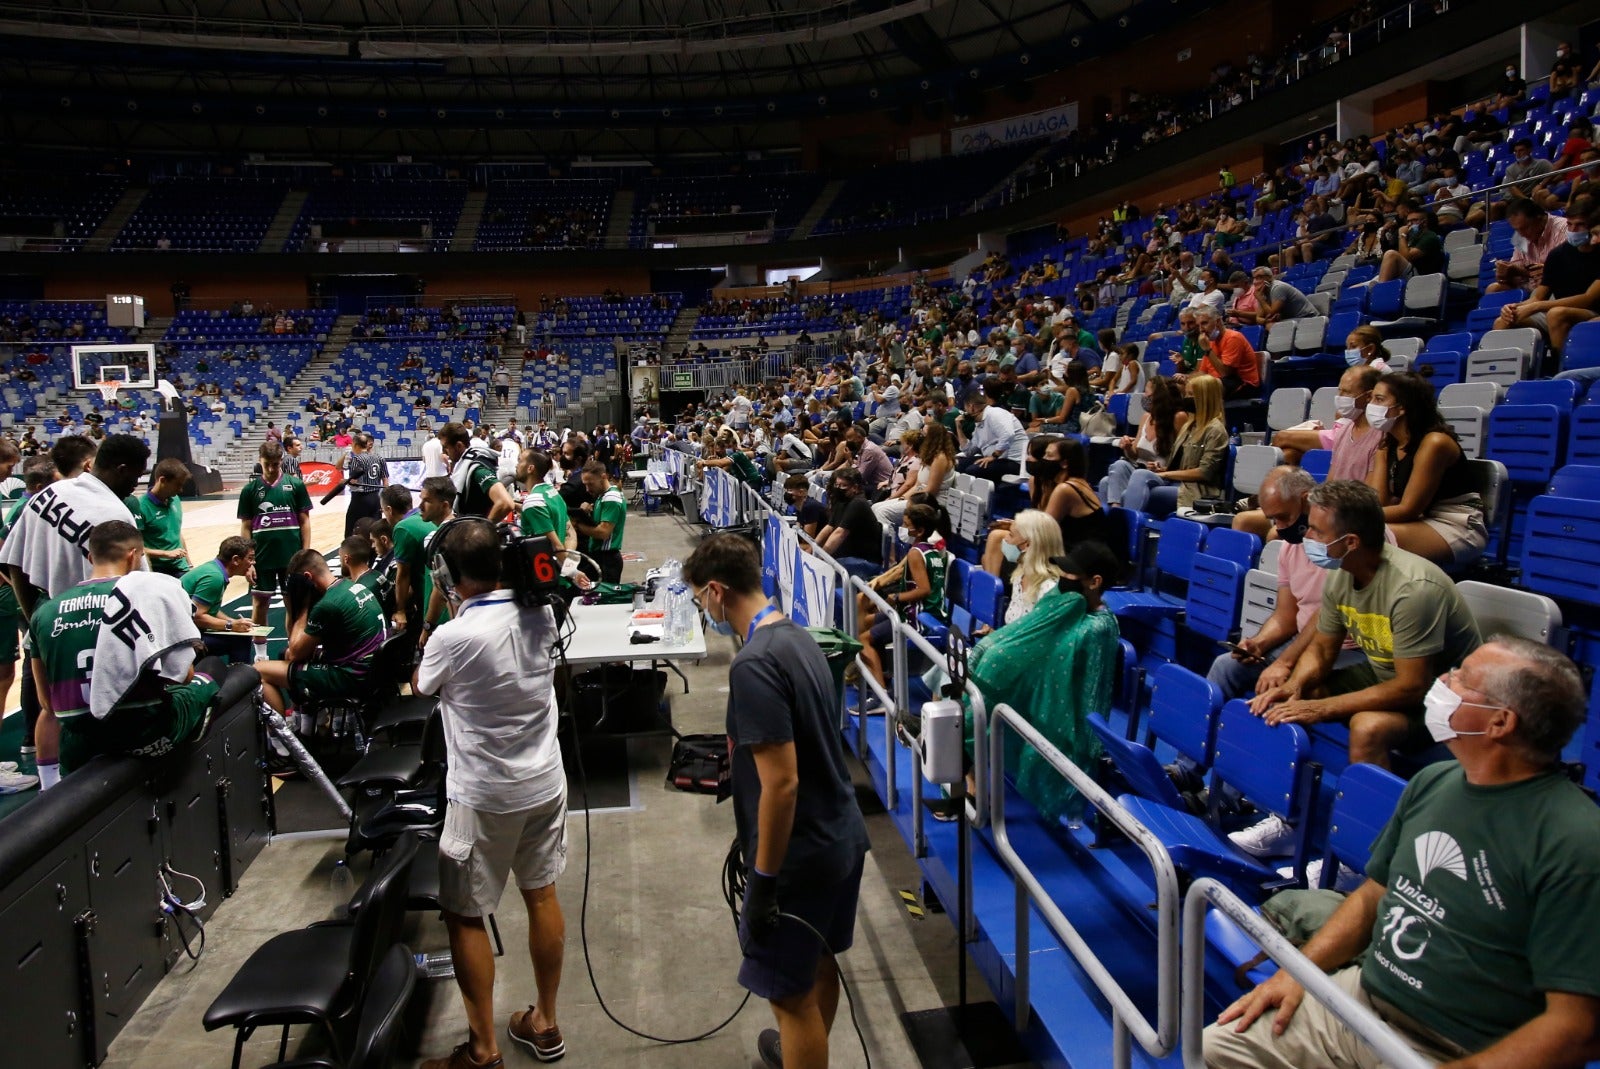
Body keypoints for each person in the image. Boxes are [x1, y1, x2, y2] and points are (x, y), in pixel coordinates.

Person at [1205, 637, 1600, 1069]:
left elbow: (1576, 1029)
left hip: (1451, 1050)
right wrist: (1299, 974)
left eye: (1461, 678)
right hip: (1360, 1002)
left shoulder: (1575, 843)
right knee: (1215, 1049)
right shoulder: (1436, 782)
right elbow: (1373, 897)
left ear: (1499, 722)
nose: (1443, 680)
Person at [682, 533, 870, 1069]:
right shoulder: (796, 635)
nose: (703, 610)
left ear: (717, 591)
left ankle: (800, 1046)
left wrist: (764, 881)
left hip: (800, 855)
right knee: (818, 964)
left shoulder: (754, 664)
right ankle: (801, 1054)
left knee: (788, 998)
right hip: (840, 836)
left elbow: (780, 784)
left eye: (700, 600)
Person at [415, 521, 570, 1069]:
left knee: (463, 914)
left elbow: (424, 685)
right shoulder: (542, 611)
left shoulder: (452, 637)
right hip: (544, 780)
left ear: (450, 575)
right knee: (542, 895)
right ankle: (544, 1022)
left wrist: (439, 611)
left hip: (483, 794)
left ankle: (483, 1051)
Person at [1247, 479, 1481, 771]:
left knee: (1366, 727)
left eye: (1317, 531)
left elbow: (1411, 687)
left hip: (1444, 696)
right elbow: (1320, 650)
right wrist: (1294, 686)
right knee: (1286, 701)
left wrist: (1318, 708)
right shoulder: (1341, 571)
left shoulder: (1413, 590)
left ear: (1351, 542)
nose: (1306, 535)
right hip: (1384, 673)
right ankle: (1285, 804)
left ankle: (1375, 816)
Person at [1, 434, 147, 788]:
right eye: (136, 476)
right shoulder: (114, 513)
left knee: (50, 709)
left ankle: (49, 787)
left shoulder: (50, 494)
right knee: (103, 711)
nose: (135, 484)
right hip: (96, 628)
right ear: (121, 468)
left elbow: (13, 561)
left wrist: (34, 618)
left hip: (49, 618)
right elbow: (137, 588)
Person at [30, 521, 228, 777]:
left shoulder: (44, 612)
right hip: (144, 733)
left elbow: (47, 701)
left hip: (79, 743)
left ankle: (49, 790)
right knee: (212, 668)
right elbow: (183, 674)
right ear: (134, 556)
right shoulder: (151, 594)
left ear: (90, 557)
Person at [962, 541, 1122, 823]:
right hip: (1039, 688)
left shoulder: (1100, 626)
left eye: (1071, 575)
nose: (1063, 580)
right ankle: (963, 770)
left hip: (1062, 709)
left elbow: (1088, 686)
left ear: (1095, 582)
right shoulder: (1068, 603)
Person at [256, 547, 388, 738]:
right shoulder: (350, 586)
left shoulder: (327, 605)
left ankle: (283, 748)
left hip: (353, 678)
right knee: (283, 655)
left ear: (307, 577)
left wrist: (303, 606)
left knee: (259, 671)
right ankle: (312, 725)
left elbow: (295, 653)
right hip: (373, 669)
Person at [1365, 371, 1487, 569]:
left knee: (1363, 537)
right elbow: (1381, 501)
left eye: (1379, 399)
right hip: (1423, 520)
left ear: (1402, 407)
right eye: (1371, 398)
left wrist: (1354, 515)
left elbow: (1409, 510)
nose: (1371, 405)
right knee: (1350, 532)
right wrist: (1381, 454)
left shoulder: (1434, 443)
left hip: (1456, 525)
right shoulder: (1389, 443)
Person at [855, 502, 949, 691]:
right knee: (867, 620)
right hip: (921, 610)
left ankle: (879, 694)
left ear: (920, 530)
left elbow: (924, 590)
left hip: (919, 617)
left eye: (907, 525)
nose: (903, 528)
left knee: (864, 639)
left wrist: (896, 598)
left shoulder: (916, 553)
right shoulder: (933, 549)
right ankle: (882, 674)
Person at [1106, 374, 1229, 516]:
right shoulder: (1191, 426)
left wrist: (1166, 473)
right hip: (1177, 481)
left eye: (1190, 395)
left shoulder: (1215, 430)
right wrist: (1162, 468)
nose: (1186, 399)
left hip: (1195, 489)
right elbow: (1181, 464)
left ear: (1204, 399)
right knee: (1106, 482)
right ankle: (1114, 523)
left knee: (1135, 482)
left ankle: (1124, 525)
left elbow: (1204, 472)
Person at [237, 440, 312, 659]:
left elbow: (305, 521)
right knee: (260, 603)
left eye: (275, 464)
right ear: (260, 461)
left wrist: (305, 553)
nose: (271, 468)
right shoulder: (250, 490)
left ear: (282, 461)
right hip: (262, 558)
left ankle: (294, 649)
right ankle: (261, 654)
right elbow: (246, 526)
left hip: (292, 558)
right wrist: (248, 561)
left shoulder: (295, 485)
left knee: (293, 606)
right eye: (267, 464)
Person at [181, 535, 258, 663]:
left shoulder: (213, 569)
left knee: (240, 635)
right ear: (236, 560)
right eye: (250, 558)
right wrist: (230, 625)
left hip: (185, 630)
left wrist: (234, 622)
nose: (253, 563)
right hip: (180, 639)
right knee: (240, 640)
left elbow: (210, 609)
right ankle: (241, 678)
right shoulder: (214, 578)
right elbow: (198, 616)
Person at [873, 422, 956, 528]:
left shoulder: (940, 458)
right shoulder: (928, 456)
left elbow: (931, 490)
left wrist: (910, 501)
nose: (921, 436)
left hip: (931, 502)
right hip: (919, 498)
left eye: (924, 434)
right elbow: (917, 485)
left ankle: (890, 542)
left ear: (933, 437)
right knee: (876, 507)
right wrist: (902, 498)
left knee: (882, 512)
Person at [994, 509, 1067, 625]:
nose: (1005, 539)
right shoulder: (1019, 576)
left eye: (1011, 535)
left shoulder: (1049, 590)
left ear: (1028, 545)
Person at [127, 458, 193, 577]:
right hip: (158, 571)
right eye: (177, 485)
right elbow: (136, 548)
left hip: (181, 567)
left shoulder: (175, 500)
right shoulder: (141, 506)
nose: (180, 490)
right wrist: (166, 554)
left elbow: (178, 533)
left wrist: (189, 563)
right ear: (162, 480)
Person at [813, 468, 883, 581]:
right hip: (846, 556)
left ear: (855, 487)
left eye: (843, 485)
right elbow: (829, 527)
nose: (838, 488)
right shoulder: (841, 501)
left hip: (864, 561)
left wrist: (821, 557)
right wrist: (814, 548)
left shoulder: (858, 503)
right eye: (836, 484)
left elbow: (839, 533)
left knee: (822, 570)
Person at [439, 422, 515, 522]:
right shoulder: (465, 464)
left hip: (476, 532)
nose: (444, 452)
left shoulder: (477, 469)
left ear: (458, 446)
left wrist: (485, 528)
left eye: (446, 447)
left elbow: (505, 503)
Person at [956, 382, 1029, 482]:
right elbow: (969, 451)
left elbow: (1008, 434)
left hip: (1014, 461)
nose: (965, 412)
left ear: (971, 407)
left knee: (972, 470)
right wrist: (959, 428)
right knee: (958, 464)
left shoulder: (995, 413)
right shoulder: (979, 424)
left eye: (965, 408)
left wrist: (993, 456)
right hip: (997, 459)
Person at [569, 461, 626, 583]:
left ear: (603, 477)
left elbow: (603, 532)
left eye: (591, 484)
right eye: (585, 485)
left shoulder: (611, 498)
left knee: (604, 598)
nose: (587, 489)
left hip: (607, 559)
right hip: (600, 557)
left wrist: (578, 526)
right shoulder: (602, 496)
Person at [1193, 307, 1261, 399]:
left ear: (1217, 321)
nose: (1201, 330)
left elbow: (1225, 373)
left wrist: (1207, 350)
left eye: (1204, 323)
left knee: (1205, 389)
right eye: (1198, 326)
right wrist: (1185, 379)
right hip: (1220, 382)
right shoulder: (1210, 342)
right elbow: (1202, 372)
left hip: (1243, 384)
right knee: (1182, 386)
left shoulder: (1233, 338)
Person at [330, 432, 388, 538]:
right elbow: (386, 481)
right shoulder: (379, 458)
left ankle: (350, 548)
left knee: (351, 528)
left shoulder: (357, 459)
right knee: (376, 528)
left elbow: (355, 483)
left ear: (356, 445)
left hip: (360, 498)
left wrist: (346, 482)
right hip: (375, 498)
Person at [516, 449, 571, 553]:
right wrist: (570, 561)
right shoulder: (553, 493)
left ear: (530, 468)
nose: (516, 465)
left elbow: (556, 547)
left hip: (543, 566)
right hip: (559, 564)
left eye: (519, 461)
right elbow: (570, 533)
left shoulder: (533, 502)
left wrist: (569, 568)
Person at [783, 474, 829, 540]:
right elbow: (798, 527)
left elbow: (808, 540)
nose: (787, 493)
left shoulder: (810, 506)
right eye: (786, 490)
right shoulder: (799, 505)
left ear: (801, 492)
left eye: (790, 490)